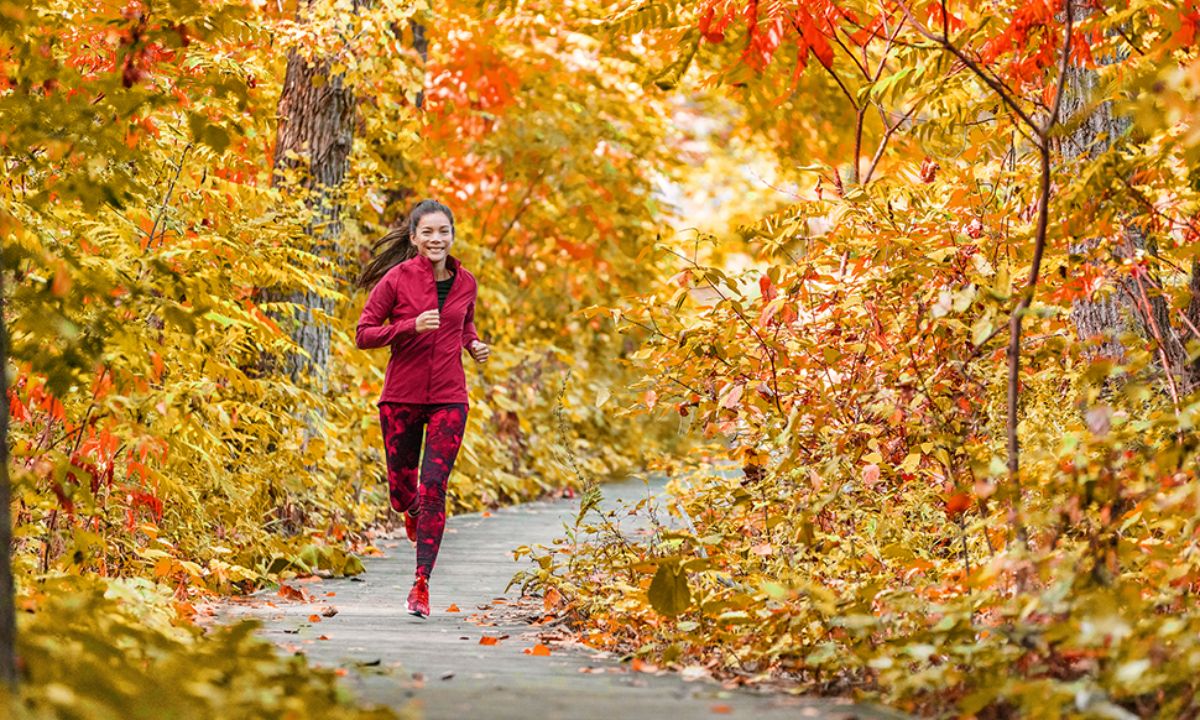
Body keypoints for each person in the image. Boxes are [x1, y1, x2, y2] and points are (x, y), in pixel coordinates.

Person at [354, 198, 490, 618]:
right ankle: (408, 509)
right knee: (402, 492)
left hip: (450, 395)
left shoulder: (466, 282)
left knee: (434, 488)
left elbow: (463, 324)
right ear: (414, 238)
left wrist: (472, 344)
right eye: (427, 232)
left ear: (452, 236)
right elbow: (364, 334)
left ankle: (421, 585)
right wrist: (409, 326)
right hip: (402, 396)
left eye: (443, 232)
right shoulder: (395, 280)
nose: (437, 239)